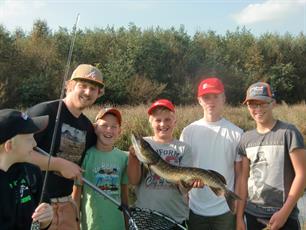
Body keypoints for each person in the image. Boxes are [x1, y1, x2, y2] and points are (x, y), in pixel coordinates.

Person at [27, 64, 104, 230]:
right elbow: (17, 154)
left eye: (93, 88)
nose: (87, 92)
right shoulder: (44, 111)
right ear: (70, 86)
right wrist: (59, 164)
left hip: (67, 204)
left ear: (99, 94)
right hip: (36, 206)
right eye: (82, 86)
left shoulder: (88, 127)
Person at [236, 82, 306, 230]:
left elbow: (302, 174)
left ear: (273, 103)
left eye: (263, 104)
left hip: (285, 216)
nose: (258, 109)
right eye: (252, 105)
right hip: (252, 215)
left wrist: (284, 213)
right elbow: (243, 179)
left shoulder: (289, 133)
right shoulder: (245, 138)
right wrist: (239, 217)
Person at [180, 77, 243, 230]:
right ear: (199, 100)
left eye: (216, 96)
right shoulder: (188, 131)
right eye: (206, 97)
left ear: (224, 99)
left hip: (225, 211)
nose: (211, 101)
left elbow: (240, 176)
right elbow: (182, 171)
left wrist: (239, 215)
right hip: (195, 210)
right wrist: (187, 189)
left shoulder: (237, 133)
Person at [128, 99, 193, 229]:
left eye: (168, 119)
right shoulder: (145, 143)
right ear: (150, 122)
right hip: (145, 215)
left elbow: (184, 188)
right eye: (158, 120)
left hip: (175, 217)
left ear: (175, 122)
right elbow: (134, 180)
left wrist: (191, 183)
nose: (163, 124)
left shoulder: (184, 148)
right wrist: (133, 158)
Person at [72, 107, 128, 230]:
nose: (109, 130)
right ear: (95, 128)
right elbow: (76, 194)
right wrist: (74, 223)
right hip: (92, 224)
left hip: (117, 224)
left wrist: (127, 224)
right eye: (104, 125)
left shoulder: (123, 158)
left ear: (119, 131)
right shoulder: (86, 156)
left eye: (114, 126)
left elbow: (124, 195)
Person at [0, 109, 53, 229]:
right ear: (9, 145)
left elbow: (37, 225)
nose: (35, 144)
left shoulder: (32, 173)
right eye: (29, 139)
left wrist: (46, 219)